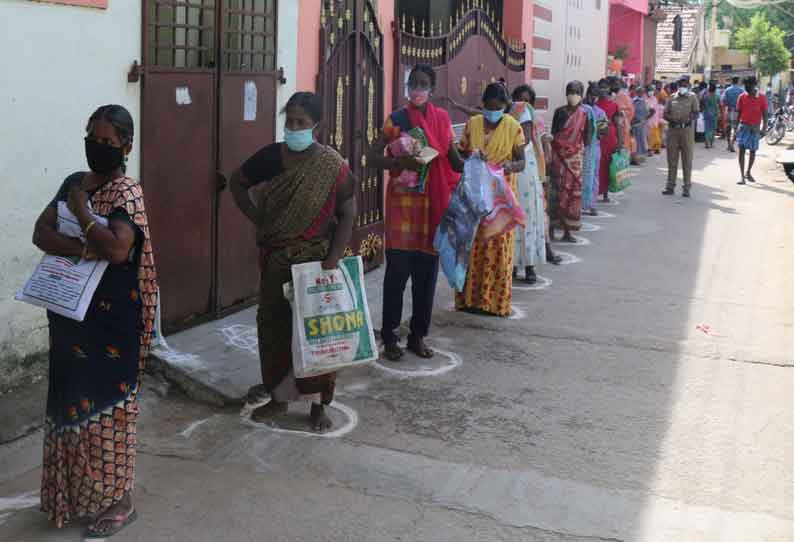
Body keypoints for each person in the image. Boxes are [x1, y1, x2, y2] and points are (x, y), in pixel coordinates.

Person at [32, 105, 157, 537]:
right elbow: (39, 232)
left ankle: (119, 501)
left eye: (107, 142)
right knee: (68, 404)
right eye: (92, 137)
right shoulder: (72, 183)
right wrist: (85, 244)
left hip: (111, 325)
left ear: (126, 146)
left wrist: (83, 214)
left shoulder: (126, 192)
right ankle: (71, 496)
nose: (97, 147)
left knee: (108, 411)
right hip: (69, 317)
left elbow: (119, 250)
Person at [230, 92, 358, 431]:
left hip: (315, 263)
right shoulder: (272, 157)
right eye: (290, 122)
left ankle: (319, 405)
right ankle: (278, 398)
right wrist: (257, 218)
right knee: (272, 329)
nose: (294, 128)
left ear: (317, 126)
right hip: (275, 260)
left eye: (301, 123)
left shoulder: (332, 166)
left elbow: (348, 212)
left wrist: (334, 258)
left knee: (316, 335)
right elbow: (237, 182)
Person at [367, 64, 464, 360]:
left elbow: (454, 158)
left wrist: (480, 165)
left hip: (433, 208)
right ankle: (390, 336)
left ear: (432, 89)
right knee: (396, 275)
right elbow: (372, 157)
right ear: (407, 87)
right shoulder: (395, 119)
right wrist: (399, 165)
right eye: (413, 83)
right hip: (403, 208)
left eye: (423, 84)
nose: (417, 89)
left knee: (426, 276)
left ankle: (418, 336)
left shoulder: (442, 120)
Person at [455, 82, 525, 316]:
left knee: (497, 245)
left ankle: (494, 303)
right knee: (471, 245)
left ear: (505, 107)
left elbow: (521, 162)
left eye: (498, 109)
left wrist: (507, 166)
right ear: (483, 105)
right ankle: (469, 301)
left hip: (500, 196)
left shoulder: (513, 127)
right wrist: (471, 158)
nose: (492, 113)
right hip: (475, 193)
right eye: (489, 107)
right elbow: (460, 153)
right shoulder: (472, 124)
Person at [509, 84, 547, 284]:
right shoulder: (506, 115)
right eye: (519, 99)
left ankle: (530, 265)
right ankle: (513, 264)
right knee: (512, 217)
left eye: (527, 100)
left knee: (529, 216)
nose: (522, 104)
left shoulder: (528, 116)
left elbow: (525, 142)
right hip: (511, 169)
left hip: (527, 169)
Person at [550, 81, 593, 242]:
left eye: (576, 92)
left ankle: (568, 231)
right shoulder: (559, 112)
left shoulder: (584, 115)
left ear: (581, 95)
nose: (572, 94)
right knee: (556, 194)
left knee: (571, 196)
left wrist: (576, 152)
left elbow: (587, 138)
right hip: (559, 159)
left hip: (574, 161)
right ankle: (552, 230)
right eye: (570, 91)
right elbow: (554, 135)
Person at [663, 78, 699, 197]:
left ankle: (686, 188)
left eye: (685, 85)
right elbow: (665, 114)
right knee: (672, 160)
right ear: (678, 86)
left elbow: (696, 112)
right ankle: (670, 186)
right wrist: (671, 119)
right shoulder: (672, 97)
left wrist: (690, 118)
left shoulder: (692, 97)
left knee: (687, 160)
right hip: (673, 131)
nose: (682, 87)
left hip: (686, 131)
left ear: (688, 86)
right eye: (680, 85)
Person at [735, 76, 769, 185]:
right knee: (741, 151)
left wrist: (764, 128)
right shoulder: (742, 97)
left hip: (755, 128)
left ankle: (748, 172)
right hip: (743, 126)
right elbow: (739, 113)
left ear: (754, 85)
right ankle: (742, 176)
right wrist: (736, 128)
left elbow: (765, 114)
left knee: (753, 152)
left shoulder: (762, 97)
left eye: (748, 86)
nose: (746, 88)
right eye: (745, 86)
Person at [596, 78, 623, 202]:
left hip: (610, 137)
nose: (602, 90)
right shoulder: (593, 104)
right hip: (596, 137)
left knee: (607, 165)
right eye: (600, 87)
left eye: (605, 87)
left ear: (609, 89)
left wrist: (620, 141)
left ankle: (605, 193)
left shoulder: (614, 105)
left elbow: (618, 124)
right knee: (596, 165)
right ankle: (595, 191)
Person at [582, 82, 606, 216]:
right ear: (587, 94)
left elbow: (603, 132)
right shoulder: (580, 109)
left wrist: (597, 130)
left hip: (594, 148)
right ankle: (579, 204)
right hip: (580, 148)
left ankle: (591, 204)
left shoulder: (600, 112)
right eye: (591, 95)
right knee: (579, 175)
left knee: (593, 175)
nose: (593, 98)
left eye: (596, 96)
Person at [722, 76, 744, 152]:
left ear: (732, 81)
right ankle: (732, 143)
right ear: (738, 81)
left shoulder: (727, 90)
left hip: (728, 110)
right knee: (736, 129)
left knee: (728, 128)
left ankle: (728, 144)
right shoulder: (741, 90)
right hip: (737, 112)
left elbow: (723, 101)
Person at [631, 85, 651, 158]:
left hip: (642, 123)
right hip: (634, 123)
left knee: (642, 139)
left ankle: (641, 155)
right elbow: (631, 111)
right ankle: (634, 155)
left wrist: (645, 119)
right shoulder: (633, 100)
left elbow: (651, 111)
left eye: (642, 92)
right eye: (639, 92)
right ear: (636, 92)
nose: (641, 93)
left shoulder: (645, 101)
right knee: (635, 139)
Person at [701, 83, 719, 149]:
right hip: (714, 114)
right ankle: (711, 143)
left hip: (706, 114)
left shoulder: (705, 96)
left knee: (707, 129)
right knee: (713, 129)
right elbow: (718, 105)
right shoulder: (717, 96)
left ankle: (707, 143)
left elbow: (702, 104)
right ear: (715, 89)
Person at [646, 85, 663, 155]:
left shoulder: (655, 99)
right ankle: (649, 149)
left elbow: (655, 110)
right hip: (647, 120)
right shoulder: (645, 99)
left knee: (656, 136)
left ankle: (656, 148)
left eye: (652, 90)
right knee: (648, 136)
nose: (651, 92)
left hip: (654, 120)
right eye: (649, 90)